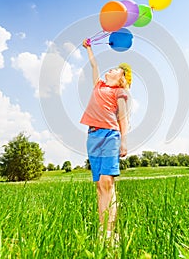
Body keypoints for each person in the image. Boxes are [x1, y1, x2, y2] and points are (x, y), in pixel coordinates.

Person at [80, 38, 132, 240]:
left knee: (107, 182)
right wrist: (89, 48)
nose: (109, 71)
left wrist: (124, 141)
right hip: (92, 136)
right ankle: (103, 231)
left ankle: (111, 232)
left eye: (115, 70)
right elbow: (94, 65)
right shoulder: (98, 85)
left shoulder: (120, 92)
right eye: (110, 69)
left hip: (110, 135)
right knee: (100, 186)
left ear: (121, 78)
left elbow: (122, 118)